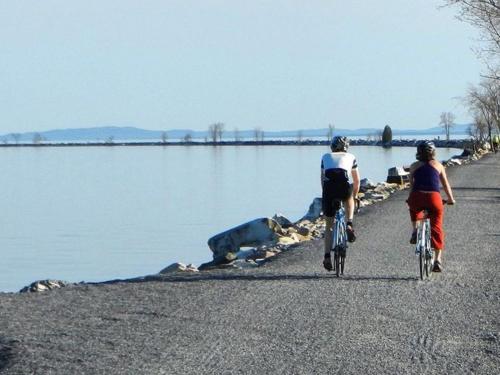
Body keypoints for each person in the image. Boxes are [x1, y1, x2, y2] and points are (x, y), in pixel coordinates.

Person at [407, 141, 455, 272]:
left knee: (413, 207)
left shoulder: (414, 166)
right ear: (433, 152)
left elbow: (411, 186)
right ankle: (438, 260)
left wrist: (410, 199)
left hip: (417, 196)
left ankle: (415, 230)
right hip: (434, 198)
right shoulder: (438, 165)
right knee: (437, 226)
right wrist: (450, 199)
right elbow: (445, 185)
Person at [321, 136, 360, 271]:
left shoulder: (325, 157)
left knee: (329, 226)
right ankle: (349, 224)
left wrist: (326, 195)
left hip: (329, 189)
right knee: (349, 199)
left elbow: (323, 179)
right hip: (344, 186)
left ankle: (327, 256)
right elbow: (356, 181)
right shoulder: (351, 157)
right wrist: (354, 196)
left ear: (332, 146)